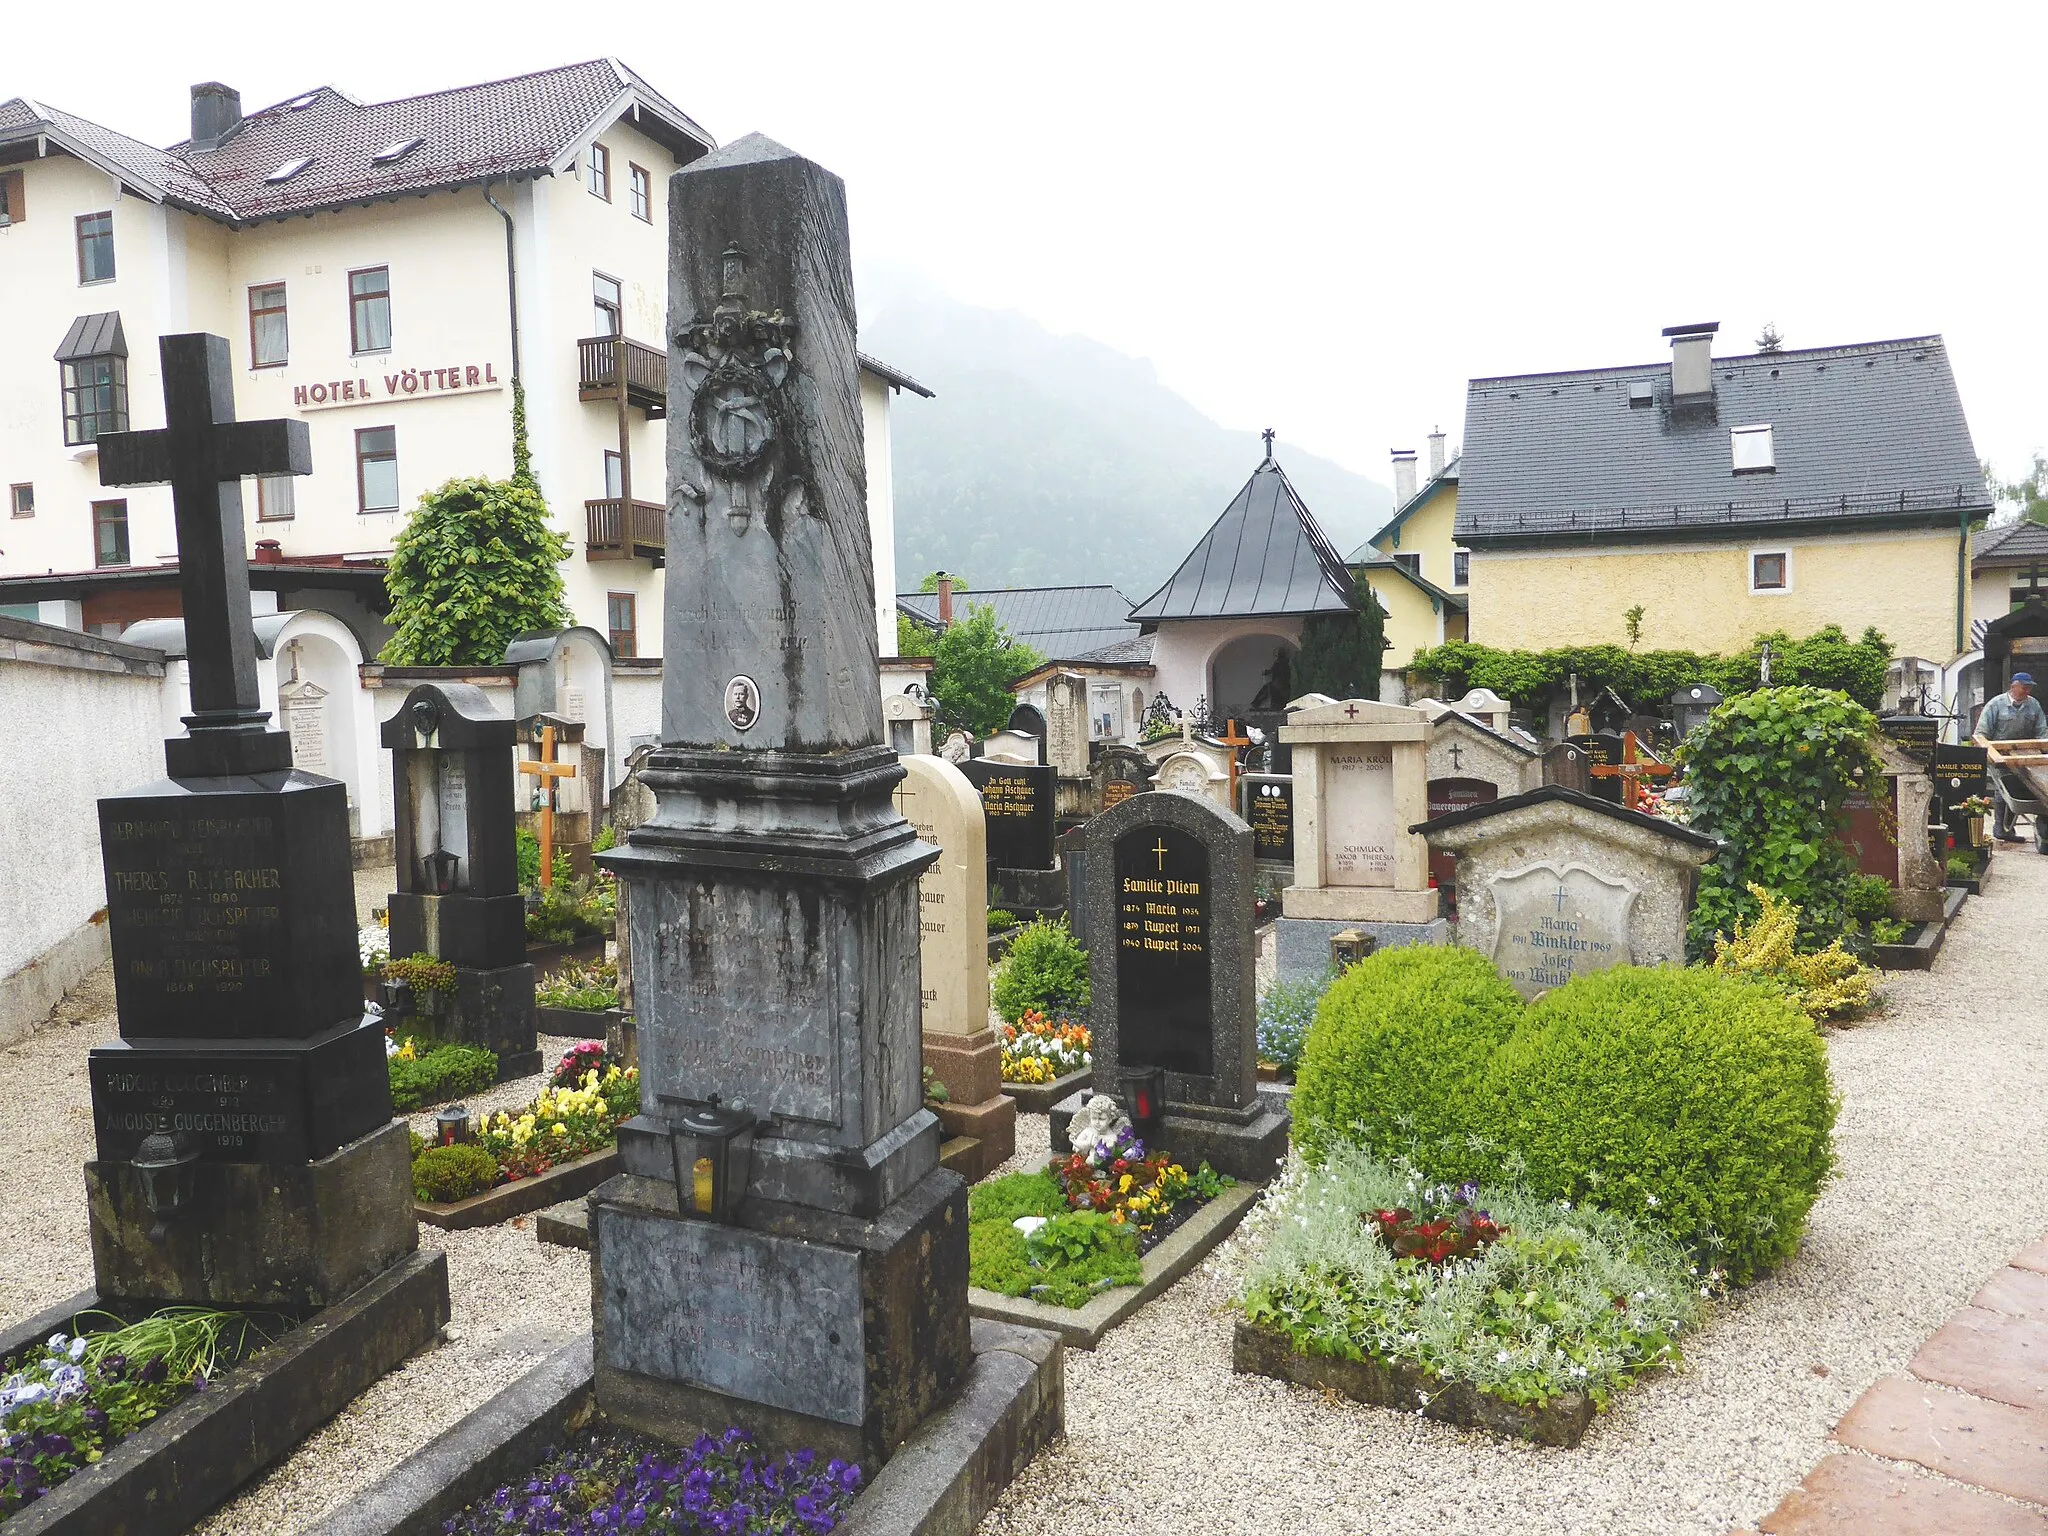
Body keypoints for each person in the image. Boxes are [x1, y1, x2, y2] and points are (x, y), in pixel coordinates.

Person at [1974, 672, 2048, 840]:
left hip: (2026, 756)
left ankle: (2042, 828)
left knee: (2038, 787)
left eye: (2029, 687)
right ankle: (2001, 828)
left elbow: (2042, 733)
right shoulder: (1996, 705)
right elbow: (1981, 734)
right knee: (2004, 790)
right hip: (2000, 757)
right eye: (2024, 686)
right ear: (2013, 686)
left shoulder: (2034, 705)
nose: (2027, 690)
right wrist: (1990, 754)